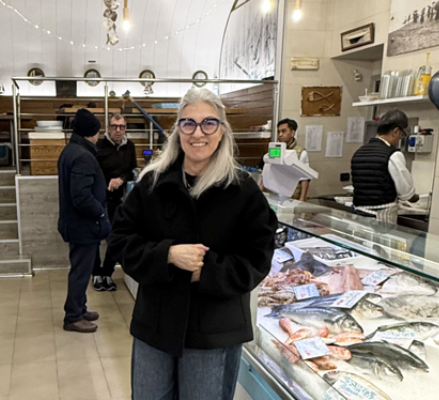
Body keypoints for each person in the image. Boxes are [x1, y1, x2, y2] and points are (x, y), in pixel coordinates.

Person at [109, 88, 277, 400]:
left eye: (208, 123)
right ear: (177, 131)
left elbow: (258, 258)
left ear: (222, 131)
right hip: (155, 324)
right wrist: (167, 255)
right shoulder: (152, 184)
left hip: (214, 329)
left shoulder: (243, 191)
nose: (197, 133)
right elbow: (120, 240)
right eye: (188, 124)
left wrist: (206, 271)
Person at [57, 108, 111, 333]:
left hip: (76, 224)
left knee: (82, 268)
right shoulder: (83, 156)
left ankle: (80, 307)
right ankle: (73, 317)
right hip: (84, 225)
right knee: (81, 270)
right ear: (92, 133)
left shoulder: (70, 150)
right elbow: (81, 196)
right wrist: (100, 213)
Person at [350, 110, 419, 224]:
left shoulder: (360, 152)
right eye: (402, 135)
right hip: (382, 217)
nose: (399, 139)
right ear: (395, 131)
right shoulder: (393, 155)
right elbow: (406, 193)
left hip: (359, 216)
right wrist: (415, 197)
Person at [93, 113, 136, 292]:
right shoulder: (98, 146)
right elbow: (92, 170)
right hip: (97, 198)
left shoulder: (130, 147)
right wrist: (106, 181)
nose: (118, 130)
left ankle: (107, 274)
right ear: (108, 128)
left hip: (117, 200)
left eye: (122, 127)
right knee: (95, 237)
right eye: (114, 126)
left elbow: (132, 170)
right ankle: (96, 274)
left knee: (115, 238)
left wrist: (121, 178)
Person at [274, 118, 311, 201]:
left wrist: (302, 200)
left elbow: (305, 178)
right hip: (276, 195)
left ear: (292, 133)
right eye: (278, 132)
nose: (280, 134)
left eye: (283, 131)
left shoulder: (301, 152)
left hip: (292, 197)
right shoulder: (276, 149)